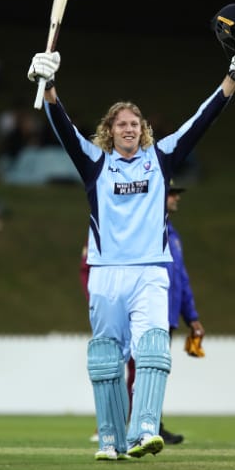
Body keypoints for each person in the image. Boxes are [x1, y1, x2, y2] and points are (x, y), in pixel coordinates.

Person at [27, 3, 235, 460]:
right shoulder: (94, 163)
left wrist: (232, 79)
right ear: (110, 132)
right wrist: (49, 85)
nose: (130, 129)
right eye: (122, 124)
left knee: (154, 349)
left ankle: (144, 432)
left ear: (144, 130)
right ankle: (111, 440)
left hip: (151, 271)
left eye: (136, 124)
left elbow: (203, 118)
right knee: (105, 358)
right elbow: (62, 127)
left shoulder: (163, 157)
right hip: (106, 271)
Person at [80, 180, 205, 445]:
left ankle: (150, 423)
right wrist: (102, 303)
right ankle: (123, 427)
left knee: (153, 369)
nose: (176, 199)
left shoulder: (171, 234)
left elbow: (181, 279)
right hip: (136, 312)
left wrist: (190, 317)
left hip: (164, 313)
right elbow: (91, 267)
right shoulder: (132, 229)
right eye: (171, 194)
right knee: (130, 368)